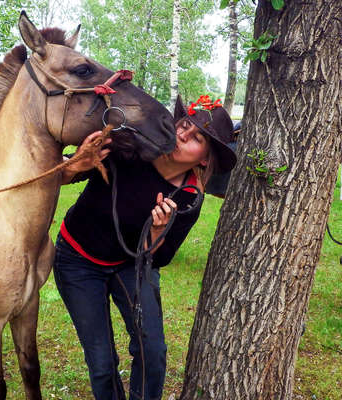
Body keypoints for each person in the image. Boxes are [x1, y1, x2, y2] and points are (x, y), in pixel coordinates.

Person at [54, 95, 237, 400]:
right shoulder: (129, 147)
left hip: (131, 265)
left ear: (205, 159)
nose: (183, 135)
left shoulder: (189, 196)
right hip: (77, 261)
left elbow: (160, 258)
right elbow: (59, 179)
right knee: (101, 362)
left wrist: (155, 232)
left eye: (197, 138)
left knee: (152, 351)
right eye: (185, 125)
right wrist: (76, 164)